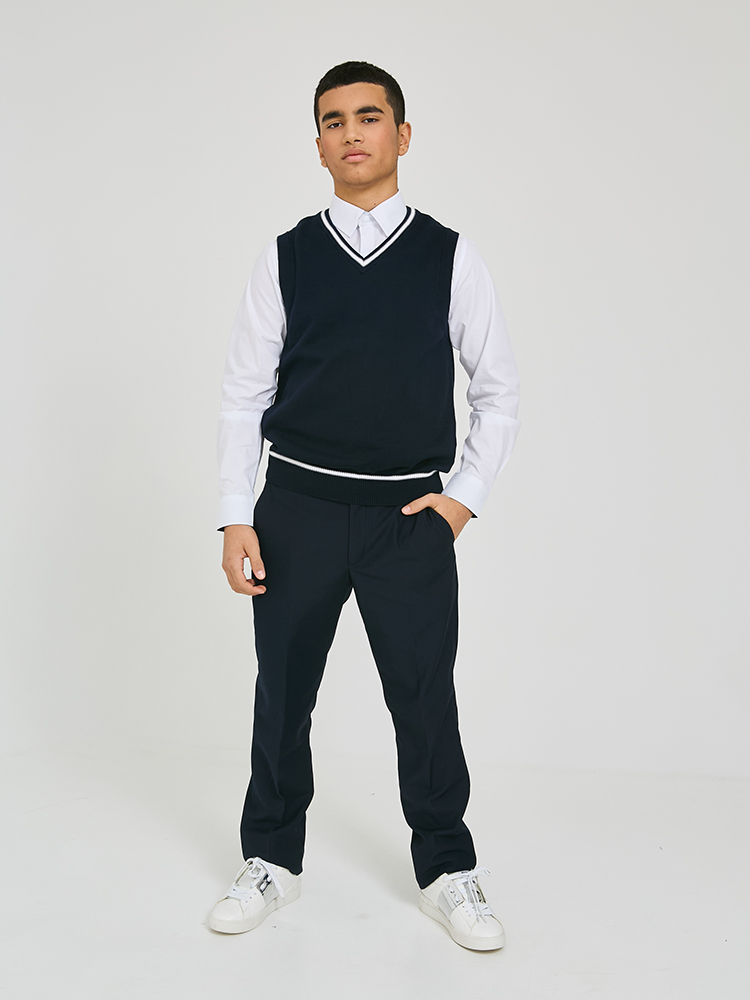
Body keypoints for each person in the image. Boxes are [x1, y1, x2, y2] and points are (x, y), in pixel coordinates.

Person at [209, 60, 520, 952]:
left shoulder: (449, 255)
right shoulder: (287, 256)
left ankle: (447, 869)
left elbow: (497, 394)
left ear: (402, 135)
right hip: (296, 507)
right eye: (334, 120)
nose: (352, 133)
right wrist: (237, 513)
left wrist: (460, 503)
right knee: (283, 694)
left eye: (369, 116)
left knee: (423, 698)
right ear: (318, 145)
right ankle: (271, 858)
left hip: (405, 518)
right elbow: (244, 393)